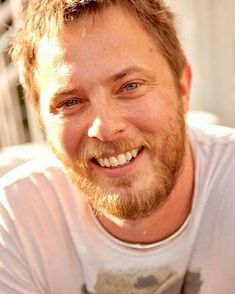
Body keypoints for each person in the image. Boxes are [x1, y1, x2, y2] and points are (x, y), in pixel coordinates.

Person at [0, 0, 235, 293]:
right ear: (43, 124)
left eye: (130, 86)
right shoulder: (13, 221)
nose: (106, 127)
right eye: (70, 102)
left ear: (183, 88)